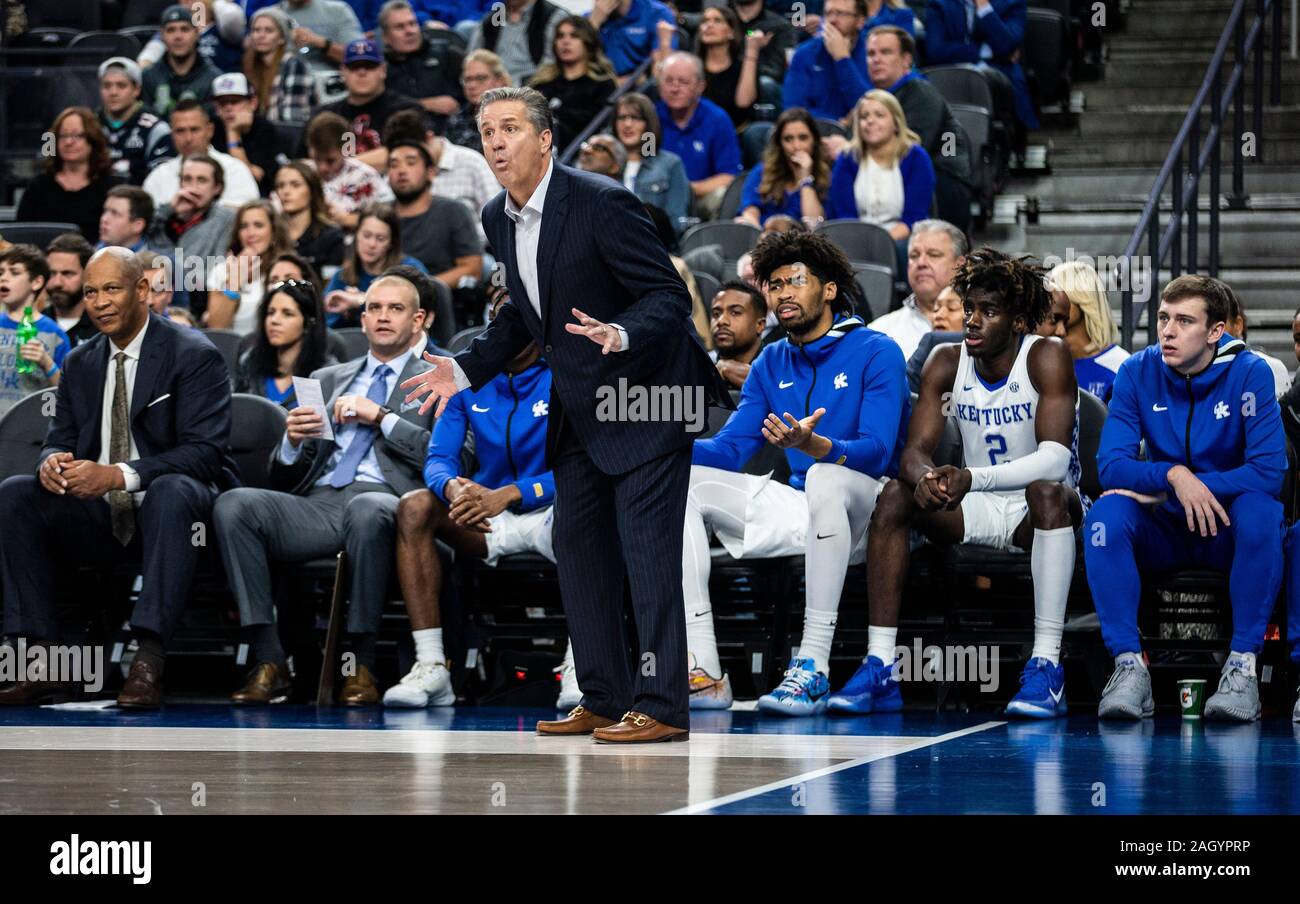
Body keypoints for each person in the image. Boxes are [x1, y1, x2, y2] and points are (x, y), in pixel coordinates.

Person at [401, 86, 731, 742]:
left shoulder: (601, 201)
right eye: (486, 130)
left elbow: (668, 294)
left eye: (510, 129)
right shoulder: (498, 216)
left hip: (648, 399)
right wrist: (464, 367)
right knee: (579, 551)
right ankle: (603, 696)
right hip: (580, 404)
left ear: (545, 138)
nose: (495, 141)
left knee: (647, 553)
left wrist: (623, 332)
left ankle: (663, 705)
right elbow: (524, 314)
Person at [0, 248, 239, 709]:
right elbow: (58, 438)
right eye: (90, 292)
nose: (100, 302)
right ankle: (44, 661)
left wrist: (117, 475)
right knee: (16, 495)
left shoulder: (194, 354)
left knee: (171, 489)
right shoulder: (81, 362)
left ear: (142, 290)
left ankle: (147, 658)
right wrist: (52, 464)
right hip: (102, 515)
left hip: (178, 518)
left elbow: (205, 454)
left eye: (112, 288)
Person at [685, 230, 908, 714]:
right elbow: (729, 450)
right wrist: (665, 448)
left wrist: (817, 445)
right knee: (684, 484)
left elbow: (876, 451)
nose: (783, 292)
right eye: (774, 283)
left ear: (828, 289)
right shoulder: (771, 360)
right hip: (803, 505)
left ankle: (813, 667)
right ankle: (702, 669)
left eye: (796, 282)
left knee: (826, 475)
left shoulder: (877, 350)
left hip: (868, 508)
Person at [859, 247, 1084, 719]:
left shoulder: (1047, 356)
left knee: (1048, 492)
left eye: (989, 312)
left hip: (1034, 510)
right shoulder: (945, 360)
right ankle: (880, 665)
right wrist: (924, 478)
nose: (973, 321)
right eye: (969, 309)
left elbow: (1054, 460)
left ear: (1019, 319)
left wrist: (970, 477)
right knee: (896, 495)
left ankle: (1046, 666)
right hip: (972, 505)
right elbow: (914, 452)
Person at [216, 273, 435, 706]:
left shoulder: (438, 377)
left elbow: (454, 457)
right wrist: (292, 441)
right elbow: (285, 473)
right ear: (363, 317)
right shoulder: (327, 377)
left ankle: (360, 663)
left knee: (369, 508)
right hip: (318, 504)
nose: (382, 317)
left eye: (395, 309)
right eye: (374, 308)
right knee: (233, 505)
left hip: (391, 503)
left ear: (418, 319)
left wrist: (382, 418)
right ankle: (270, 659)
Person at [1085, 275, 1287, 722]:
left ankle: (1242, 671)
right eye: (1162, 318)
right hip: (1167, 525)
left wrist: (1201, 485)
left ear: (1216, 331)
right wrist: (1174, 476)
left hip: (1226, 527)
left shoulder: (1250, 372)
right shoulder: (1137, 371)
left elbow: (1269, 472)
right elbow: (1111, 466)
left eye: (1183, 321)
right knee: (1105, 516)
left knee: (1261, 511)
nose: (1167, 331)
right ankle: (1129, 668)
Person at [386, 290, 559, 707]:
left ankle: (579, 665)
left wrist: (515, 491)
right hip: (484, 518)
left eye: (511, 321)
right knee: (415, 506)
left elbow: (585, 466)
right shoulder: (467, 377)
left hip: (553, 513)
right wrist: (453, 487)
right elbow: (439, 458)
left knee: (590, 511)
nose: (499, 331)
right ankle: (432, 667)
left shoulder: (566, 373)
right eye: (495, 320)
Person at [865, 25, 973, 232]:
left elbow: (910, 148)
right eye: (870, 54)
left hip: (942, 186)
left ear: (906, 60)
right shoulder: (875, 99)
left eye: (885, 52)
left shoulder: (920, 92)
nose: (876, 59)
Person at [825, 89, 936, 269]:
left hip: (901, 237)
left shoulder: (916, 158)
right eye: (864, 116)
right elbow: (845, 214)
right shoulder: (848, 158)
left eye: (879, 115)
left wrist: (881, 243)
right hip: (855, 237)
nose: (870, 121)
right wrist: (864, 243)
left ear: (896, 122)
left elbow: (913, 218)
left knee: (899, 251)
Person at [924, 0, 1039, 132]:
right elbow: (936, 50)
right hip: (951, 76)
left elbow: (1006, 46)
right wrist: (983, 51)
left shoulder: (1012, 3)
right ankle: (950, 147)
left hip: (998, 77)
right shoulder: (940, 4)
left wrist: (984, 8)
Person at [312, 39, 425, 172]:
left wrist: (341, 165)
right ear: (343, 71)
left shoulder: (407, 110)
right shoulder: (323, 116)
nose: (362, 73)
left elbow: (405, 154)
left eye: (369, 66)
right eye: (354, 67)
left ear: (383, 70)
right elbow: (306, 159)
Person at [385, 140, 484, 290]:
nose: (401, 170)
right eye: (394, 165)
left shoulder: (454, 211)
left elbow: (472, 270)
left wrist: (417, 290)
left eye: (411, 163)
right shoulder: (380, 214)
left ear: (431, 172)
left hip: (444, 301)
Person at [16, 108, 125, 243]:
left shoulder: (112, 188)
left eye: (77, 136)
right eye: (63, 136)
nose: (68, 142)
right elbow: (21, 237)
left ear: (93, 141)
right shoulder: (38, 187)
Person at [146, 155, 238, 314]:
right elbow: (142, 245)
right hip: (151, 295)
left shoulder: (225, 219)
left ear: (217, 187)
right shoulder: (166, 216)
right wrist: (168, 210)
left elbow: (216, 271)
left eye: (201, 180)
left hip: (193, 303)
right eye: (187, 179)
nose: (193, 187)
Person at [655, 53, 743, 221]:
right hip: (658, 197)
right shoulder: (651, 121)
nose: (675, 88)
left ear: (700, 86)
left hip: (700, 197)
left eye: (683, 82)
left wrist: (684, 189)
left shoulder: (718, 120)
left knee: (721, 195)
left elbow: (729, 176)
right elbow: (646, 162)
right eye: (668, 81)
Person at [869, 218, 967, 360]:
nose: (921, 263)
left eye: (933, 255)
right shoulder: (878, 333)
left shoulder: (981, 329)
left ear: (959, 265)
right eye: (914, 256)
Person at [234, 278, 336, 409]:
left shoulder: (327, 373)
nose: (274, 320)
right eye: (270, 313)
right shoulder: (250, 361)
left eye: (287, 314)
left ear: (308, 322)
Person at [381, 109, 499, 222]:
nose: (403, 167)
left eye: (411, 159)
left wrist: (465, 237)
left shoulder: (472, 163)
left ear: (429, 138)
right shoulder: (395, 174)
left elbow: (497, 218)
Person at [143, 100, 261, 210]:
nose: (188, 138)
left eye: (194, 130)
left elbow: (246, 214)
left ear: (210, 130)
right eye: (180, 131)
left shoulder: (234, 170)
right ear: (172, 134)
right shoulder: (158, 177)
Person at [323, 203, 426, 328]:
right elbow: (326, 326)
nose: (372, 244)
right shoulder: (342, 276)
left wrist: (360, 300)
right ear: (356, 236)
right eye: (366, 236)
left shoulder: (410, 271)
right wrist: (345, 314)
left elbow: (417, 312)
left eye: (381, 238)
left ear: (392, 243)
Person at [528, 16, 617, 152]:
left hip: (580, 153)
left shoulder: (603, 84)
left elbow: (597, 125)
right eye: (560, 36)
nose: (565, 41)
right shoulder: (541, 83)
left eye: (574, 36)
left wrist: (556, 115)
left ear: (588, 42)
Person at [1045, 260, 1129, 403]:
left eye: (1058, 294)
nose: (1051, 303)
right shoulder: (1044, 360)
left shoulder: (1121, 366)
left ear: (1083, 299)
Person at [0, 244, 70, 413]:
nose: (3, 278)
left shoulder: (55, 334)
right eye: (1, 272)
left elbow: (70, 395)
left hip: (30, 430)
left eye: (14, 272)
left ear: (37, 282)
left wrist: (47, 364)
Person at [207, 200, 291, 332]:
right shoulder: (221, 270)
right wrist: (236, 278)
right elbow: (217, 327)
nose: (250, 233)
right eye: (243, 226)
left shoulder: (286, 270)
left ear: (274, 233)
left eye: (258, 225)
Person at [381, 0, 466, 131]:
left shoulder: (447, 54)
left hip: (453, 132)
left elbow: (473, 89)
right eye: (400, 27)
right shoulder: (381, 69)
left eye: (413, 24)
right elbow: (380, 106)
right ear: (385, 37)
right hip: (402, 135)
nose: (410, 31)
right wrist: (424, 104)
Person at [738, 108, 829, 228]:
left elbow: (815, 225)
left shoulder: (827, 177)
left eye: (803, 138)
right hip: (766, 241)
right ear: (779, 144)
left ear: (814, 140)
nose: (796, 146)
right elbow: (749, 214)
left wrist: (805, 179)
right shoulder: (763, 172)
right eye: (788, 139)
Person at [782, 0, 871, 123]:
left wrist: (842, 59)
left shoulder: (873, 53)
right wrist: (836, 123)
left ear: (860, 21)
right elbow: (793, 110)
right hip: (814, 133)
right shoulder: (804, 54)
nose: (832, 20)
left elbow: (870, 109)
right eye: (828, 13)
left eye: (840, 14)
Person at [613, 93, 691, 233]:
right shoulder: (602, 163)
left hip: (652, 245)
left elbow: (676, 223)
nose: (627, 124)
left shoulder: (670, 164)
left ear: (648, 124)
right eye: (622, 117)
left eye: (636, 118)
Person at [305, 112, 396, 230]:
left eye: (330, 161)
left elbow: (389, 219)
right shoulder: (301, 174)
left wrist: (347, 219)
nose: (323, 167)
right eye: (317, 159)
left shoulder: (365, 176)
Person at [97, 58, 175, 185]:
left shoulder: (157, 129)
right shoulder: (88, 125)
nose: (113, 92)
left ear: (136, 90)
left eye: (121, 85)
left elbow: (163, 179)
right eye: (107, 86)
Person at [142, 5, 223, 116]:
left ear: (196, 33)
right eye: (171, 30)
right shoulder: (148, 77)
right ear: (161, 35)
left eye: (184, 29)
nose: (178, 36)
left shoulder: (214, 79)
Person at [245, 7, 320, 126]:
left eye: (268, 30)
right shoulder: (252, 68)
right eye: (256, 30)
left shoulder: (295, 66)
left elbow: (293, 122)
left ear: (281, 38)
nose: (261, 35)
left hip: (291, 139)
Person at [210, 73, 282, 196]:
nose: (228, 108)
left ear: (253, 103)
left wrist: (233, 133)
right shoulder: (212, 128)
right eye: (222, 103)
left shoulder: (264, 129)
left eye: (234, 102)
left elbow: (251, 178)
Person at [272, 162, 346, 276]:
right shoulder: (270, 235)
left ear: (312, 191)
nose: (285, 192)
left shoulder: (331, 237)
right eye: (280, 186)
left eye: (295, 185)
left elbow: (331, 284)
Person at [469, 0, 567, 85]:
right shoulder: (489, 22)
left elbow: (550, 65)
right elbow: (472, 60)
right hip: (494, 90)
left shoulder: (553, 16)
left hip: (535, 89)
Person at [695, 5, 763, 129]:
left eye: (717, 21)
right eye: (705, 21)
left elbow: (743, 102)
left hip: (735, 132)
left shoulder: (743, 66)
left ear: (731, 32)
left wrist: (752, 51)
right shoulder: (692, 67)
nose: (709, 26)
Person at [138, 0, 246, 74]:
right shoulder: (174, 30)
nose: (188, 1)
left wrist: (215, 3)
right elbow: (148, 57)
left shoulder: (225, 28)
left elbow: (231, 15)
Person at [1221, 281, 1290, 397]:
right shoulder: (1185, 370)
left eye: (1219, 324)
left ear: (1237, 325)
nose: (1211, 332)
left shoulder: (1270, 368)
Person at [444, 50, 513, 153]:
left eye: (480, 78)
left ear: (499, 81)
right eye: (467, 79)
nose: (472, 85)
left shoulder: (515, 116)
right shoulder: (456, 120)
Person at [590, 0, 678, 78]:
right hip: (601, 86)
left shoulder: (657, 13)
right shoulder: (591, 19)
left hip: (640, 89)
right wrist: (594, 24)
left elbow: (660, 75)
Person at [273, 0, 365, 73]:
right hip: (284, 81)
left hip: (332, 82)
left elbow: (360, 56)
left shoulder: (337, 10)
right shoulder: (271, 16)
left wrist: (321, 43)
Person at [42, 234, 100, 349]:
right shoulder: (34, 325)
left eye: (67, 274)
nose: (57, 283)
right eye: (52, 273)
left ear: (87, 275)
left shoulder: (103, 327)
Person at [709, 279, 767, 389]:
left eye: (735, 312)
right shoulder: (699, 367)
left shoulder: (784, 367)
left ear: (759, 325)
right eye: (716, 314)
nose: (721, 321)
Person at [729, 0, 797, 84]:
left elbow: (778, 71)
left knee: (765, 83)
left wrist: (752, 53)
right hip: (722, 80)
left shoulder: (781, 26)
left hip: (762, 83)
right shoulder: (720, 20)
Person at [98, 186, 157, 255]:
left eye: (115, 213)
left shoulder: (153, 264)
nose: (104, 219)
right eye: (105, 211)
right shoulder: (92, 253)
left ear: (137, 226)